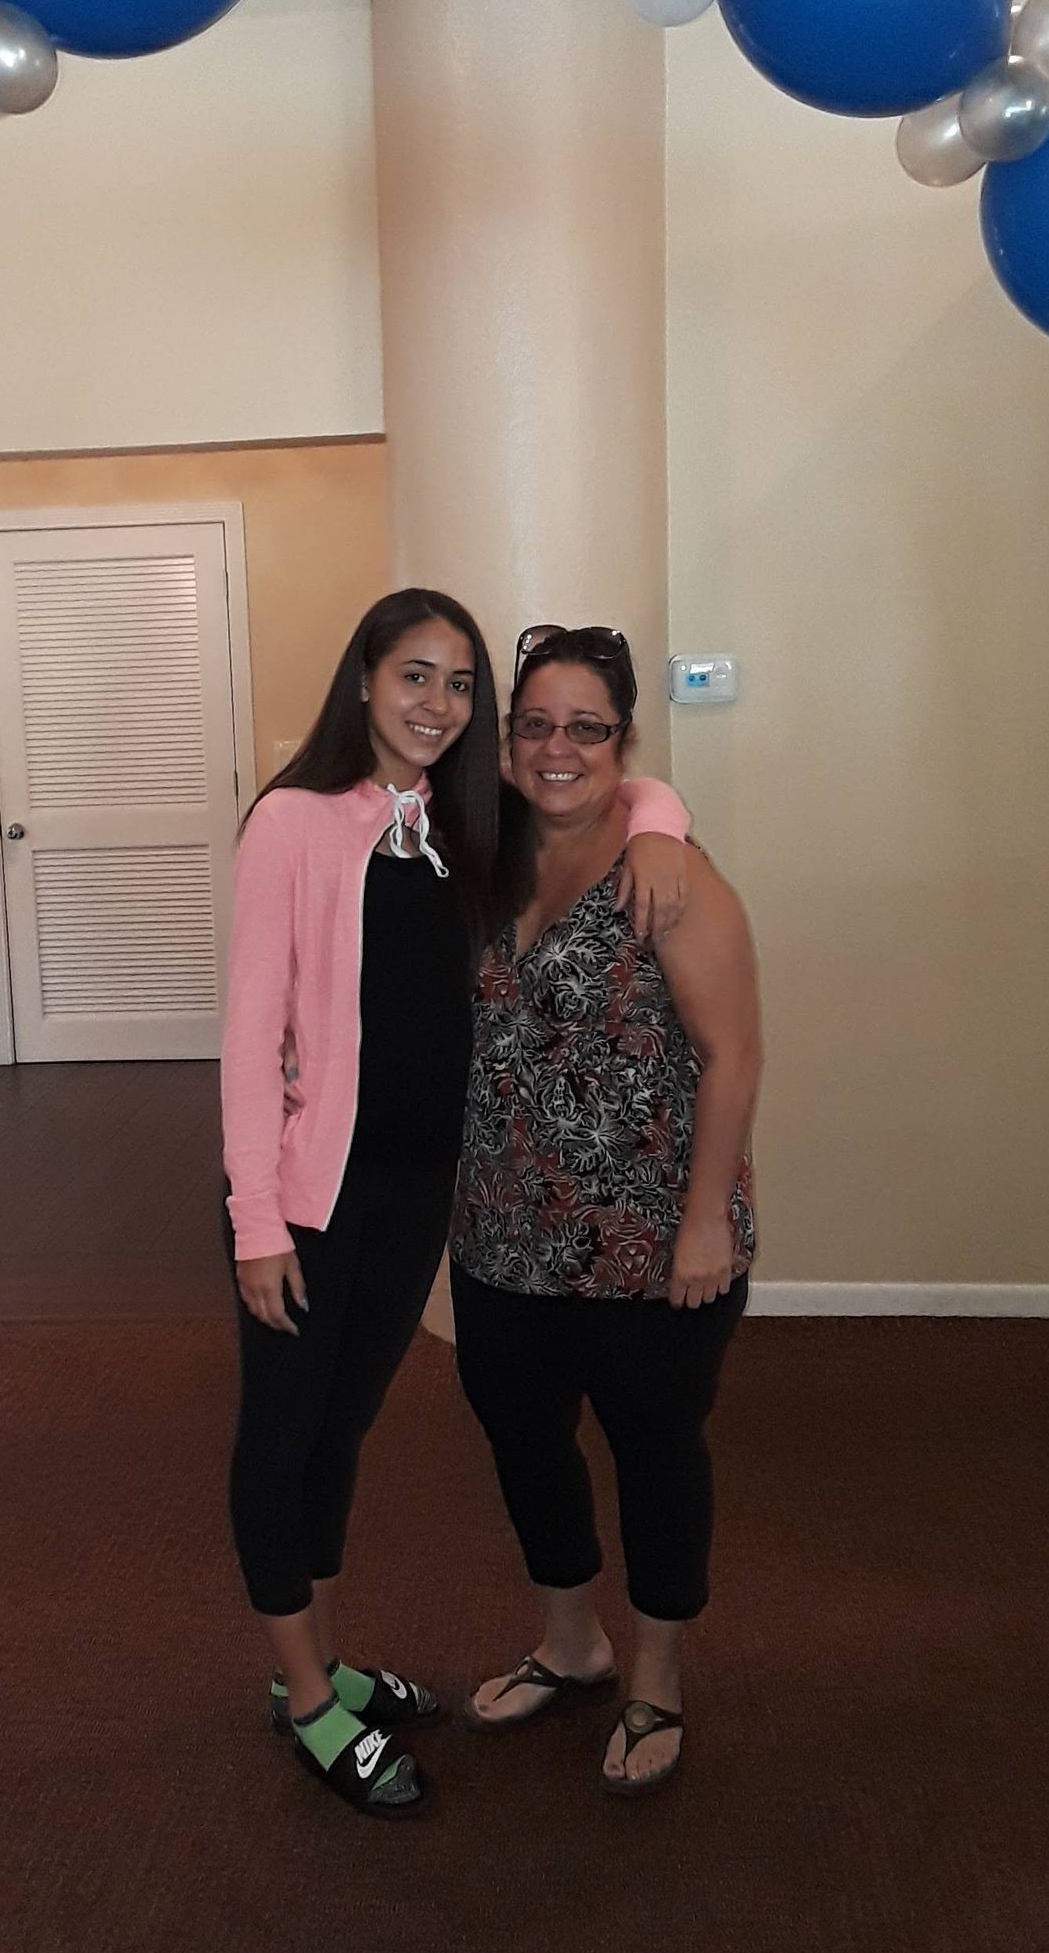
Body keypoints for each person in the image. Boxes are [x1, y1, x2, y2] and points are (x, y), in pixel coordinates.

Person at [222, 590, 691, 1817]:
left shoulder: (460, 820)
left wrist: (667, 826)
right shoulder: (293, 820)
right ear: (364, 679)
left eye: (461, 685)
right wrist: (255, 1220)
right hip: (310, 1194)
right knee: (281, 1436)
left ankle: (314, 1665)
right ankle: (308, 1700)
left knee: (342, 1431)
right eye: (414, 676)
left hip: (419, 1187)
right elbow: (243, 1036)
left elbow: (617, 787)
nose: (438, 705)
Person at [452, 624, 761, 1797]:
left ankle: (657, 1678)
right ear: (508, 739)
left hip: (651, 1238)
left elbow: (733, 1057)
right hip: (500, 1227)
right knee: (524, 1440)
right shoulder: (479, 857)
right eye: (535, 723)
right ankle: (571, 1642)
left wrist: (703, 1224)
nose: (557, 746)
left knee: (655, 1455)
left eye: (587, 726)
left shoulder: (672, 874)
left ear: (624, 742)